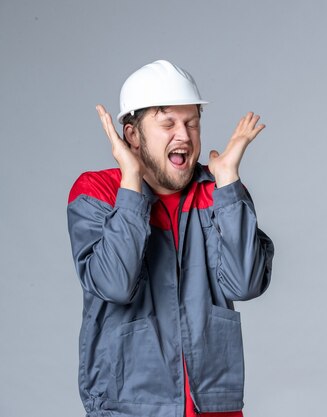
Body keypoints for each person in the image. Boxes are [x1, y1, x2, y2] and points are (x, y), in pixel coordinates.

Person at [67, 60, 274, 417]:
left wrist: (228, 182)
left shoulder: (218, 193)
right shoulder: (96, 192)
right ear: (132, 135)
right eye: (168, 124)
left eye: (192, 122)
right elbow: (115, 284)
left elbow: (245, 284)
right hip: (130, 406)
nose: (184, 135)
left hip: (213, 405)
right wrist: (131, 186)